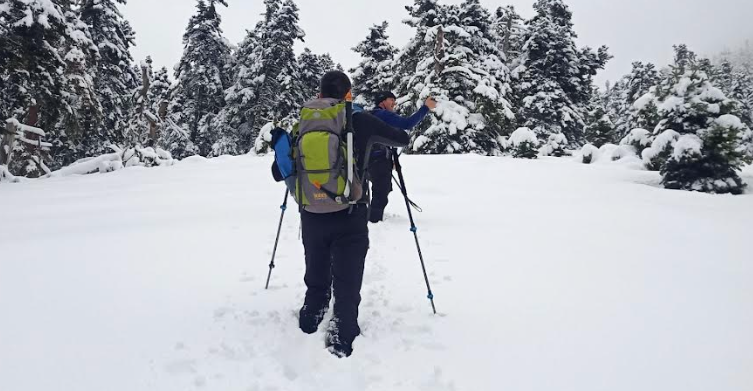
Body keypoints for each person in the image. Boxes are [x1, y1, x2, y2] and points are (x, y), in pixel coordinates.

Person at [298, 71, 411, 358]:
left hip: (311, 211)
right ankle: (343, 328)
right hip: (351, 209)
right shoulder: (358, 119)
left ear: (320, 93)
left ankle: (312, 312)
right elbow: (402, 139)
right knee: (348, 272)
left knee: (316, 262)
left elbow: (281, 170)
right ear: (348, 94)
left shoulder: (306, 120)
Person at [367, 91, 436, 223]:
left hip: (371, 159)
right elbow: (408, 123)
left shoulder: (373, 115)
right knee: (381, 191)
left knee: (380, 189)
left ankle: (370, 216)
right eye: (391, 100)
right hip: (378, 160)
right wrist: (425, 107)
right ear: (382, 101)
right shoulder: (382, 114)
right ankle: (374, 221)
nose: (394, 103)